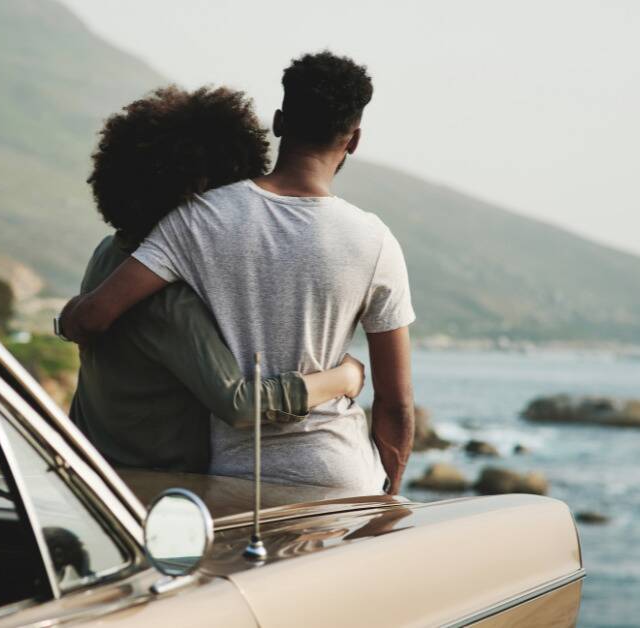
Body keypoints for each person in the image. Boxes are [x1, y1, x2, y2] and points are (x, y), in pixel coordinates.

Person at [60, 52, 416, 495]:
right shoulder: (376, 241)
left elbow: (93, 316)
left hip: (225, 484)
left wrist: (67, 318)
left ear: (279, 122)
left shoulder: (190, 222)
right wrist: (388, 495)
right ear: (354, 140)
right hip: (338, 479)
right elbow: (396, 405)